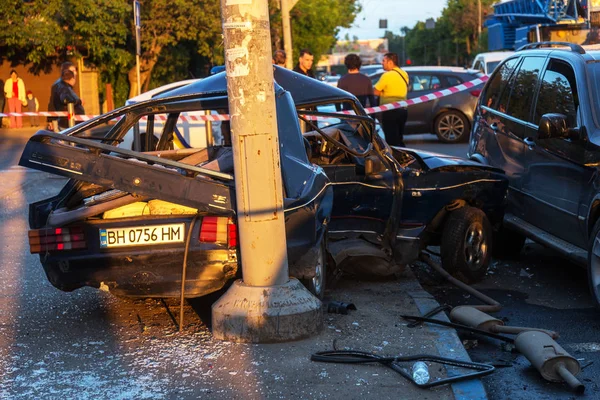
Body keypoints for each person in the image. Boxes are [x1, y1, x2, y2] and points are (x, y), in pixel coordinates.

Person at [373, 52, 409, 146]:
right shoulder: (404, 73)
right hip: (403, 110)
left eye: (384, 61)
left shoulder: (387, 75)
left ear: (390, 62)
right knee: (399, 138)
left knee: (391, 140)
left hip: (390, 111)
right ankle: (403, 157)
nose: (382, 63)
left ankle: (395, 159)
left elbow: (375, 91)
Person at [47, 62, 77, 131]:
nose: (75, 73)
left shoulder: (69, 84)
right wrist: (50, 119)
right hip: (60, 121)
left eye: (75, 70)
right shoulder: (58, 85)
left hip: (69, 121)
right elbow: (52, 103)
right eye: (72, 71)